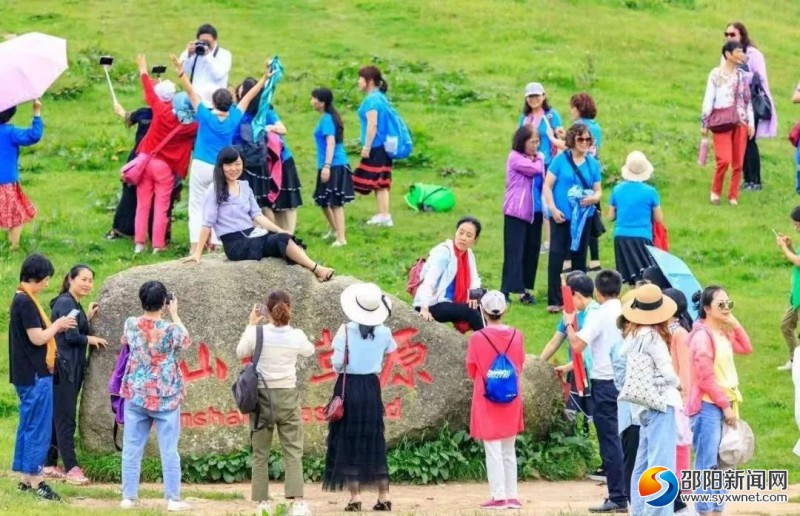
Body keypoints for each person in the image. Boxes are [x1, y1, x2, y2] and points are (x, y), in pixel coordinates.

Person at [183, 146, 335, 283]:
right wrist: (197, 253)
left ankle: (312, 273)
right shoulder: (215, 190)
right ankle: (317, 269)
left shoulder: (245, 186)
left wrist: (278, 229)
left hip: (253, 234)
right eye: (229, 164)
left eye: (238, 164)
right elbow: (207, 223)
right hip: (235, 244)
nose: (234, 168)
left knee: (286, 237)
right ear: (221, 166)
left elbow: (258, 216)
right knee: (281, 241)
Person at [170, 54, 267, 253]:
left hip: (200, 165)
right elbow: (248, 98)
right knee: (218, 205)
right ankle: (216, 243)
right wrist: (264, 78)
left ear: (213, 102)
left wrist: (181, 71)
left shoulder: (204, 115)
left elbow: (190, 91)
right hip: (220, 167)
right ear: (230, 103)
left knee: (196, 207)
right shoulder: (234, 118)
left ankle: (195, 246)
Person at [236, 291, 314, 516]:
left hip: (262, 398)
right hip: (288, 396)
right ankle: (297, 503)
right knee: (292, 450)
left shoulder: (257, 333)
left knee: (260, 452)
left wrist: (251, 325)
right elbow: (309, 351)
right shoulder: (297, 335)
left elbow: (241, 351)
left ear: (267, 312)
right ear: (289, 308)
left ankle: (262, 504)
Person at [323, 283, 397, 512]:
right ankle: (384, 495)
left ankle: (355, 498)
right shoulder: (384, 332)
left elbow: (336, 362)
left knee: (348, 441)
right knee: (373, 440)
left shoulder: (345, 330)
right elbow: (389, 351)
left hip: (348, 386)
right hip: (371, 388)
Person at [119, 281, 192, 511]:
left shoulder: (130, 324)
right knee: (169, 448)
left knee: (132, 446)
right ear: (164, 302)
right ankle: (172, 499)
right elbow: (185, 340)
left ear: (141, 300)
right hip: (165, 395)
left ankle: (128, 497)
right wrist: (175, 314)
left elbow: (126, 342)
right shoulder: (171, 329)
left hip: (136, 392)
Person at [9, 253, 76, 501]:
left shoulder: (21, 299)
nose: (48, 284)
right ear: (36, 277)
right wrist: (58, 325)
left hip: (25, 374)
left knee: (28, 424)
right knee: (38, 427)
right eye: (46, 279)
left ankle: (25, 478)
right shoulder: (26, 302)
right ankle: (37, 480)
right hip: (36, 374)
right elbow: (37, 338)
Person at [563, 270, 627, 513]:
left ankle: (618, 497)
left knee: (609, 440)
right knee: (628, 438)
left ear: (598, 292)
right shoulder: (627, 310)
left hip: (605, 383)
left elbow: (578, 345)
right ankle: (631, 492)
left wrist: (569, 324)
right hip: (627, 381)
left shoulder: (599, 315)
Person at [686, 286, 752, 515]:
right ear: (706, 308)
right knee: (708, 462)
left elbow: (746, 348)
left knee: (724, 461)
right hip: (708, 405)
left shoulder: (722, 333)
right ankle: (705, 509)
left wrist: (734, 323)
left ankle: (716, 509)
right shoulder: (702, 337)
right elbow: (706, 376)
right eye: (721, 305)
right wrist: (724, 405)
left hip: (725, 403)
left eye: (728, 304)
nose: (726, 308)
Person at [618, 284, 680, 516]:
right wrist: (678, 384)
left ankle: (641, 511)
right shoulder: (654, 337)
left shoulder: (632, 336)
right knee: (661, 464)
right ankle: (659, 512)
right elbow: (668, 372)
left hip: (641, 406)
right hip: (662, 403)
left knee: (643, 464)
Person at [43, 264, 108, 486]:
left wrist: (86, 317)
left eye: (91, 280)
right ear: (71, 279)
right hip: (64, 369)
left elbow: (73, 330)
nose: (88, 284)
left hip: (71, 369)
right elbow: (70, 337)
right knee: (65, 419)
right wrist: (91, 339)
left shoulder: (73, 304)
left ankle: (49, 463)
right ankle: (71, 468)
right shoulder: (64, 302)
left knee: (58, 417)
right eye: (83, 279)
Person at [132, 55, 198, 254]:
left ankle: (139, 244)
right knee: (161, 207)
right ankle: (158, 245)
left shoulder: (160, 111)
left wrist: (143, 69)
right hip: (166, 169)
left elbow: (149, 91)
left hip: (146, 162)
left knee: (143, 205)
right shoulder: (192, 126)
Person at [466, 291, 525, 510]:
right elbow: (520, 363)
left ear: (483, 311)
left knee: (493, 449)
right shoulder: (517, 335)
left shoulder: (477, 338)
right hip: (511, 395)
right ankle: (512, 495)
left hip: (487, 396)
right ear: (504, 310)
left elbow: (472, 369)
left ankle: (498, 496)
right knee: (509, 448)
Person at [542, 123, 602, 312]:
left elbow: (598, 190)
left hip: (583, 217)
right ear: (572, 140)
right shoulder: (560, 160)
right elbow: (547, 186)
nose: (585, 143)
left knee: (579, 257)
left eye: (588, 139)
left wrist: (594, 198)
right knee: (556, 256)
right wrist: (552, 208)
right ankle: (555, 300)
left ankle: (579, 299)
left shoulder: (593, 163)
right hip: (561, 216)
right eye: (581, 139)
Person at [538, 272, 597, 437]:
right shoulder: (569, 315)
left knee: (592, 412)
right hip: (574, 370)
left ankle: (590, 440)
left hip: (590, 371)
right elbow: (554, 342)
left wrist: (567, 367)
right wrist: (538, 363)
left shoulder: (593, 316)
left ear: (576, 295)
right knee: (571, 410)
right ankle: (574, 440)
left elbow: (587, 354)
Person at [723, 22, 777, 191]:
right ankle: (747, 179)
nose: (729, 37)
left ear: (742, 35)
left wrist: (742, 71)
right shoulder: (727, 54)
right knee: (740, 140)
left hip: (751, 101)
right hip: (734, 102)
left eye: (732, 34)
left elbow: (759, 78)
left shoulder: (754, 55)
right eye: (727, 34)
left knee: (749, 140)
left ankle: (755, 180)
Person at [701, 40, 755, 206]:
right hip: (722, 121)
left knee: (738, 162)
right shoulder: (716, 74)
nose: (741, 55)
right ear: (728, 54)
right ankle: (715, 191)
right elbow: (708, 98)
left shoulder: (742, 75)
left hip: (741, 120)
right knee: (723, 160)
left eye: (741, 51)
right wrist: (704, 122)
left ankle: (733, 195)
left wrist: (751, 122)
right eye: (737, 51)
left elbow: (747, 100)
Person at [413, 216, 484, 332]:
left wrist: (474, 295)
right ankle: (489, 346)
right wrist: (424, 308)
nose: (463, 238)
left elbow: (475, 279)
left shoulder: (468, 254)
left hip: (451, 301)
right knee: (471, 313)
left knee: (484, 303)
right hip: (433, 303)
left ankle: (491, 340)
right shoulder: (444, 252)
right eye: (461, 233)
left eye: (469, 235)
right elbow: (429, 280)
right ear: (455, 232)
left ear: (475, 239)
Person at [518, 82, 566, 256]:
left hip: (548, 163)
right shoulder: (525, 118)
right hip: (529, 163)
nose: (534, 99)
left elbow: (561, 136)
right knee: (533, 200)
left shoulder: (552, 116)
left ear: (544, 96)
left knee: (547, 201)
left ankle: (549, 240)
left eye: (536, 96)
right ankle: (535, 238)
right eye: (530, 96)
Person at [501, 125, 545, 304]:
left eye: (537, 142)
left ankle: (525, 289)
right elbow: (535, 170)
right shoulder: (515, 157)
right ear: (522, 142)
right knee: (514, 250)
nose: (535, 145)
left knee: (532, 250)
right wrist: (541, 158)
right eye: (532, 142)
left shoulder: (536, 158)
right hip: (517, 211)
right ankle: (507, 289)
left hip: (536, 211)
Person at [608, 151, 662, 285]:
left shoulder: (617, 190)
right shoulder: (651, 192)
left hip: (621, 237)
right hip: (643, 236)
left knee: (629, 277)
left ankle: (632, 301)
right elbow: (658, 218)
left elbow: (610, 217)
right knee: (646, 276)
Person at [311, 88, 354, 247]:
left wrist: (327, 166)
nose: (312, 101)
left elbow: (331, 142)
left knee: (335, 202)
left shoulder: (328, 119)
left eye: (314, 98)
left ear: (322, 102)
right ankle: (335, 229)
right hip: (326, 164)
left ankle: (341, 238)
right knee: (322, 200)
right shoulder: (326, 117)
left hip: (334, 164)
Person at [663, 288, 693, 514]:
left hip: (679, 399)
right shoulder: (670, 332)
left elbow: (685, 371)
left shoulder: (679, 334)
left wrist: (683, 398)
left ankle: (680, 494)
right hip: (671, 396)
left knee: (679, 445)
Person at [353, 66, 394, 227]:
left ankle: (384, 215)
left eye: (360, 79)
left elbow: (372, 125)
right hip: (384, 145)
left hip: (376, 145)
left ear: (369, 81)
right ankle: (383, 214)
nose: (358, 82)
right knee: (381, 181)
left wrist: (367, 146)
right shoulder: (381, 97)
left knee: (375, 180)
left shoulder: (372, 100)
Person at [0, 99, 43, 250]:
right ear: (11, 114)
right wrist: (36, 113)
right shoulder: (11, 132)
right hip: (6, 182)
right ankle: (13, 246)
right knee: (15, 215)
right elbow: (33, 136)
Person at [570, 92, 603, 272]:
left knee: (580, 219)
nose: (571, 112)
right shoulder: (596, 127)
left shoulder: (577, 126)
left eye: (573, 108)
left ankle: (575, 258)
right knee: (593, 218)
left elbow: (570, 148)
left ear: (579, 108)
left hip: (579, 176)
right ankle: (595, 260)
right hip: (594, 174)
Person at [178, 23, 232, 106]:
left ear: (215, 39)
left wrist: (207, 55)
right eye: (202, 41)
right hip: (195, 101)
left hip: (215, 103)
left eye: (207, 42)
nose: (204, 44)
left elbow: (218, 74)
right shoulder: (196, 52)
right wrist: (187, 54)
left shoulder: (224, 54)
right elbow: (182, 70)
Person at [776, 206, 800, 372]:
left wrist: (784, 248)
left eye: (797, 224)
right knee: (785, 325)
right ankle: (794, 359)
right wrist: (790, 247)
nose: (795, 227)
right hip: (796, 295)